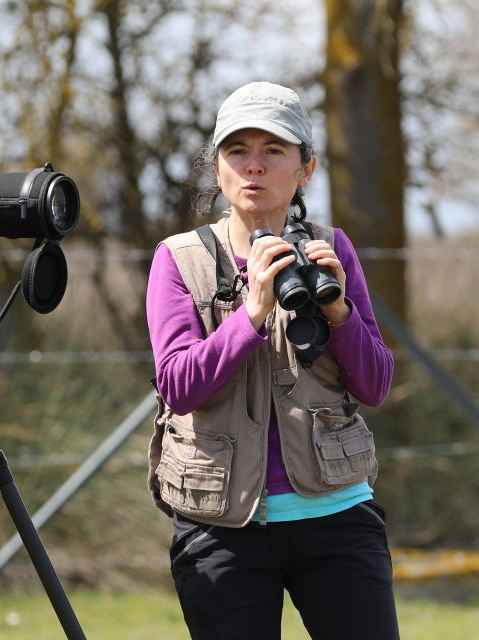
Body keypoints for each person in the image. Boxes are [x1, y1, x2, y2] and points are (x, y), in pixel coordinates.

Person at [145, 81, 398, 639]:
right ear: (217, 168)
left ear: (306, 169)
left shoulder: (334, 247)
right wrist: (252, 312)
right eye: (238, 151)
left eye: (273, 151)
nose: (253, 167)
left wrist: (337, 310)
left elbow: (377, 384)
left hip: (337, 516)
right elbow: (179, 386)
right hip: (221, 527)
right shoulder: (179, 259)